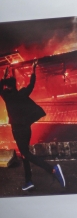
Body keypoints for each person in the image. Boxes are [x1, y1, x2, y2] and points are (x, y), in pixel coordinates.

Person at [0, 61, 66, 191]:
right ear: (15, 86)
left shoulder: (7, 97)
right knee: (25, 154)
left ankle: (52, 169)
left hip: (17, 130)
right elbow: (31, 85)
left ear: (6, 87)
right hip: (26, 129)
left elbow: (0, 87)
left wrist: (3, 76)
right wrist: (33, 70)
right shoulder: (22, 93)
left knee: (25, 153)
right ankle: (28, 180)